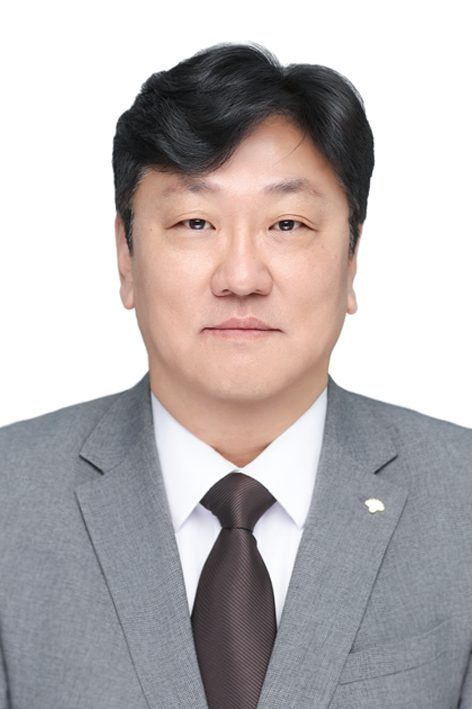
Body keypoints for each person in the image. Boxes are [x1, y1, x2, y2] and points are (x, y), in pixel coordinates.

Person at [0, 43, 471, 709]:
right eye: (196, 222)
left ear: (352, 259)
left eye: (288, 224)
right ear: (126, 256)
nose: (242, 277)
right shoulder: (11, 500)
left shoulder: (461, 502)